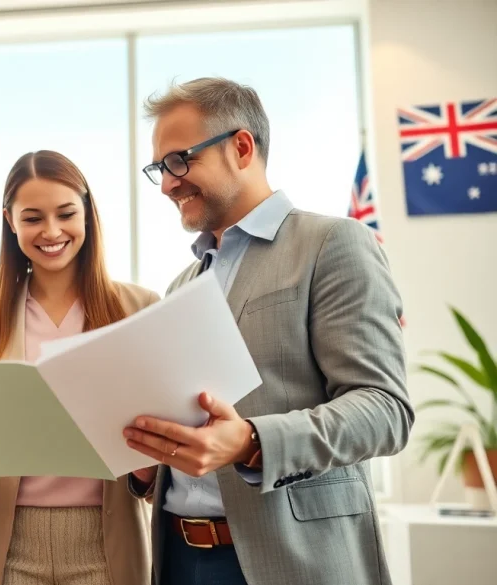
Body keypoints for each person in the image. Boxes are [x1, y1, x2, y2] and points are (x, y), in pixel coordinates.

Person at [122, 77, 413, 585]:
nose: (167, 183)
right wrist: (143, 460)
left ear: (241, 147)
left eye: (178, 161)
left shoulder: (332, 244)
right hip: (178, 556)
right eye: (159, 169)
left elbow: (385, 410)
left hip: (295, 559)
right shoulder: (181, 286)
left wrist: (252, 441)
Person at [0, 150, 160, 585]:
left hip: (107, 543)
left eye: (66, 213)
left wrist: (148, 468)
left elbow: (166, 446)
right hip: (9, 546)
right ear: (10, 221)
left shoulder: (140, 310)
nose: (51, 231)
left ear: (88, 213)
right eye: (32, 218)